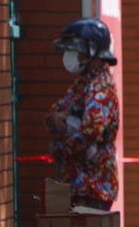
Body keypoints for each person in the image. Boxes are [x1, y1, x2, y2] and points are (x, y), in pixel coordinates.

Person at [44, 17, 120, 211]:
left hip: (92, 188)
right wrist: (55, 119)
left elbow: (91, 130)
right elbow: (52, 113)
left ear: (92, 51)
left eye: (75, 50)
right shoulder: (83, 83)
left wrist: (60, 148)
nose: (70, 56)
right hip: (77, 187)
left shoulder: (100, 86)